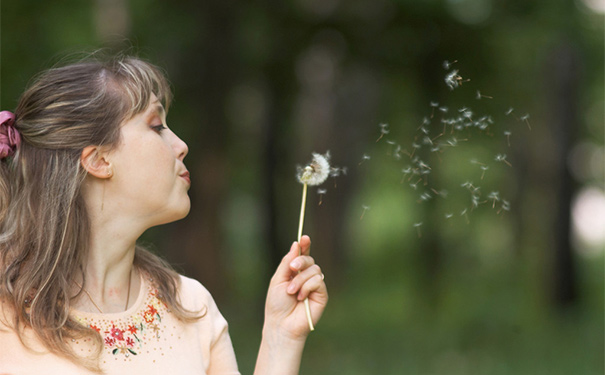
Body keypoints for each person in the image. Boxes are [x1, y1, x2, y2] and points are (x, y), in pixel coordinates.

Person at [0, 54, 328, 374]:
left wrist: (280, 337)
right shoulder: (5, 316)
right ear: (98, 160)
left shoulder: (192, 306)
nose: (181, 145)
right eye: (156, 126)